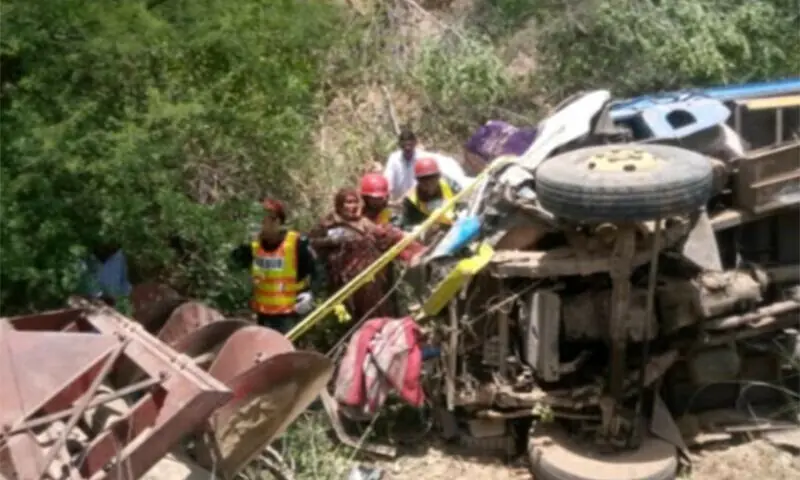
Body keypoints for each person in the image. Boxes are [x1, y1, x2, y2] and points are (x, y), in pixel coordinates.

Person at [309, 188, 425, 321]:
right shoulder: (328, 224)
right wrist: (331, 241)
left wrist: (393, 235)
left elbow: (381, 236)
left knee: (376, 309)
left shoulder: (363, 222)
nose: (353, 206)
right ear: (339, 205)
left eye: (355, 202)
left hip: (370, 278)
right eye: (349, 202)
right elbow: (311, 243)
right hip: (344, 279)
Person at [231, 198, 317, 334]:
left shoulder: (296, 243)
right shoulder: (253, 245)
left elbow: (317, 271)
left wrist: (311, 294)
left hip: (290, 315)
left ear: (276, 221)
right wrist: (240, 241)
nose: (258, 224)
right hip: (262, 314)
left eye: (262, 220)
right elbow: (232, 265)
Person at [383, 128, 472, 202]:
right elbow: (387, 182)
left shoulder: (424, 159)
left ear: (415, 143)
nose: (407, 148)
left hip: (420, 200)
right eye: (404, 145)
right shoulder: (394, 159)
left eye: (410, 145)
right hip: (401, 203)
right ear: (400, 145)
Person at [401, 157, 460, 231]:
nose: (428, 183)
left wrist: (457, 215)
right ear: (417, 180)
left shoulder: (450, 184)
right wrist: (420, 228)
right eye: (423, 179)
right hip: (431, 233)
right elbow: (406, 226)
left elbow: (464, 204)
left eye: (432, 177)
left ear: (438, 176)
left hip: (456, 226)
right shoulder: (410, 200)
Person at [77, 242, 133, 316]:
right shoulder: (86, 258)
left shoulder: (119, 257)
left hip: (110, 300)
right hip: (91, 302)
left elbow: (123, 280)